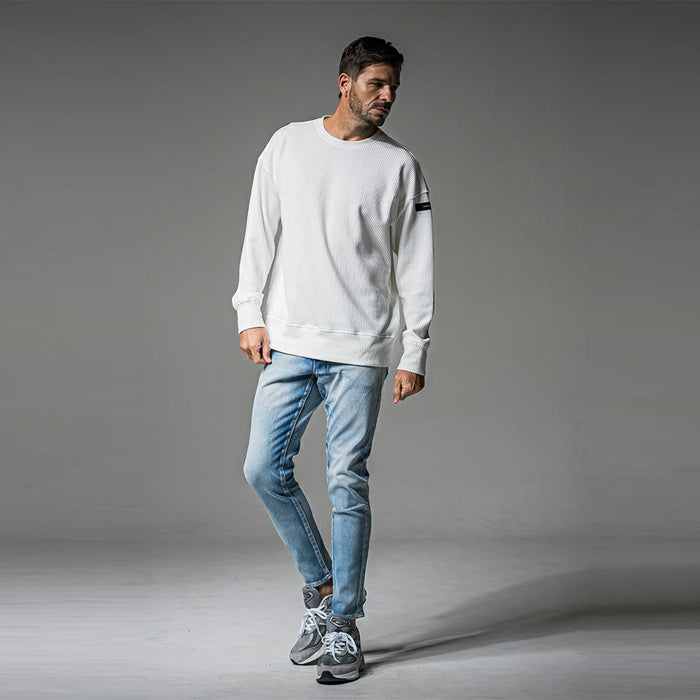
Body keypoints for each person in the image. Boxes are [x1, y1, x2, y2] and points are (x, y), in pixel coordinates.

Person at [231, 36, 435, 684]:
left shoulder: (400, 166)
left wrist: (415, 349)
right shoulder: (287, 144)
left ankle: (344, 621)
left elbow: (416, 264)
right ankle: (320, 588)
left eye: (394, 86)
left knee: (347, 480)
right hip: (290, 340)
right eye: (377, 83)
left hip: (361, 348)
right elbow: (259, 231)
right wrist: (249, 312)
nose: (388, 96)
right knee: (263, 468)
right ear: (345, 82)